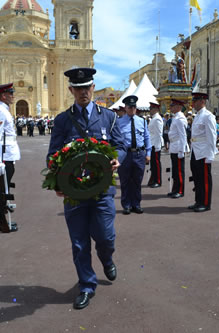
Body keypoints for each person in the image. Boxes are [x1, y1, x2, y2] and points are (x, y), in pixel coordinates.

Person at [47, 67, 126, 310]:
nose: (83, 92)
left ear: (93, 88)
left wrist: (117, 158)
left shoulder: (109, 117)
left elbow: (121, 144)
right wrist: (58, 182)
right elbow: (53, 154)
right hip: (74, 192)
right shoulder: (62, 120)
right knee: (79, 243)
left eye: (87, 88)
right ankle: (86, 285)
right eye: (78, 89)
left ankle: (107, 257)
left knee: (105, 236)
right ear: (71, 90)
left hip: (102, 189)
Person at [0, 83, 21, 233]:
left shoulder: (4, 111)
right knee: (0, 190)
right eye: (11, 93)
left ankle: (2, 219)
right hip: (2, 157)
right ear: (3, 96)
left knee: (4, 189)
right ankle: (0, 222)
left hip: (8, 155)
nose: (13, 95)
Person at [117, 95, 151, 214]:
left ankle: (136, 204)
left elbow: (147, 137)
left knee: (137, 181)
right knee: (125, 181)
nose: (132, 109)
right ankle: (126, 205)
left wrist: (148, 153)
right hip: (125, 155)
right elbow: (116, 140)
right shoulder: (119, 122)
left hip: (139, 154)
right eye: (130, 107)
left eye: (134, 107)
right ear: (125, 108)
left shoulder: (142, 121)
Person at [188, 92, 217, 212]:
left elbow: (212, 135)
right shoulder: (198, 115)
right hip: (196, 150)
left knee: (204, 179)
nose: (193, 103)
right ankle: (198, 201)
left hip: (204, 151)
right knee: (197, 178)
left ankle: (205, 203)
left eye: (195, 101)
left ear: (202, 101)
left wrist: (211, 153)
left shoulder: (207, 115)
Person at [167, 99, 189, 198]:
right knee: (175, 170)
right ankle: (175, 189)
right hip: (174, 146)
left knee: (179, 171)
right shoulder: (176, 117)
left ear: (179, 107)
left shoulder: (180, 118)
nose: (171, 107)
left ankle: (180, 190)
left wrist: (181, 150)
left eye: (173, 105)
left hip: (178, 146)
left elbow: (183, 135)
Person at [147, 102, 163, 188]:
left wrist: (157, 146)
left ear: (156, 109)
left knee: (156, 164)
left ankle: (158, 180)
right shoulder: (153, 118)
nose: (150, 110)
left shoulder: (157, 119)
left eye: (151, 108)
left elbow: (158, 134)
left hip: (155, 144)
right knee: (153, 164)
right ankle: (154, 179)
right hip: (152, 144)